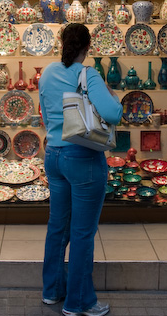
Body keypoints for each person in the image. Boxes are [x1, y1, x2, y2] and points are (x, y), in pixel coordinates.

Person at [39, 23, 122, 316]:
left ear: (62, 43)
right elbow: (113, 113)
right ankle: (79, 302)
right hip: (83, 158)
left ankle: (52, 292)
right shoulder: (89, 74)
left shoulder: (48, 72)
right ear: (88, 47)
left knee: (57, 227)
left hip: (54, 155)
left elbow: (43, 113)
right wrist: (112, 95)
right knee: (83, 233)